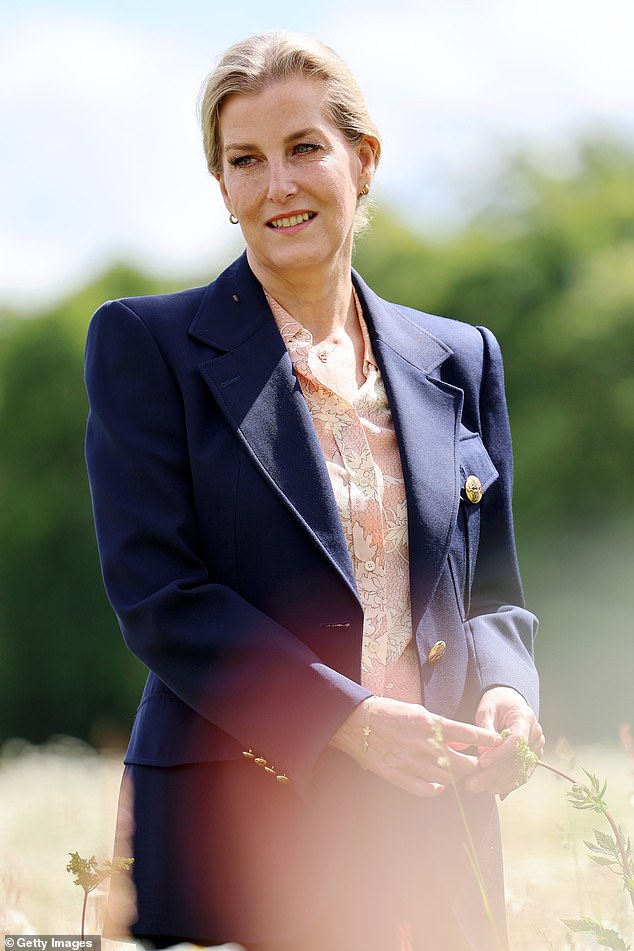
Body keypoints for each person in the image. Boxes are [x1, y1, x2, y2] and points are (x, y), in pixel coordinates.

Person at [85, 30, 543, 951]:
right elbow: (159, 598)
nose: (277, 185)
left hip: (435, 832)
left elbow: (490, 586)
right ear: (222, 188)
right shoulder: (147, 346)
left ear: (361, 160)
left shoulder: (461, 355)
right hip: (238, 828)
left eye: (304, 149)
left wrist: (506, 689)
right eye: (245, 161)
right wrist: (350, 720)